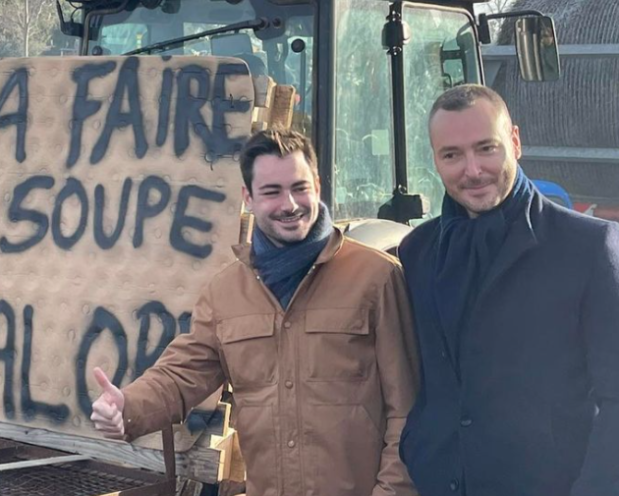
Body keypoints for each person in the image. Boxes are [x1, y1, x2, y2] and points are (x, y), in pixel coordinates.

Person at [91, 128, 419, 496]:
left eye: (299, 187)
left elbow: (408, 409)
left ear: (318, 185)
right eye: (272, 192)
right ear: (248, 197)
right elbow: (181, 373)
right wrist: (128, 406)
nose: (290, 204)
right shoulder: (226, 293)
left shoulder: (376, 277)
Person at [397, 84, 619, 496]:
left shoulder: (589, 248)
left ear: (515, 142)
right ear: (435, 160)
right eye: (452, 155)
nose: (473, 169)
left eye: (486, 148)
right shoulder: (417, 252)